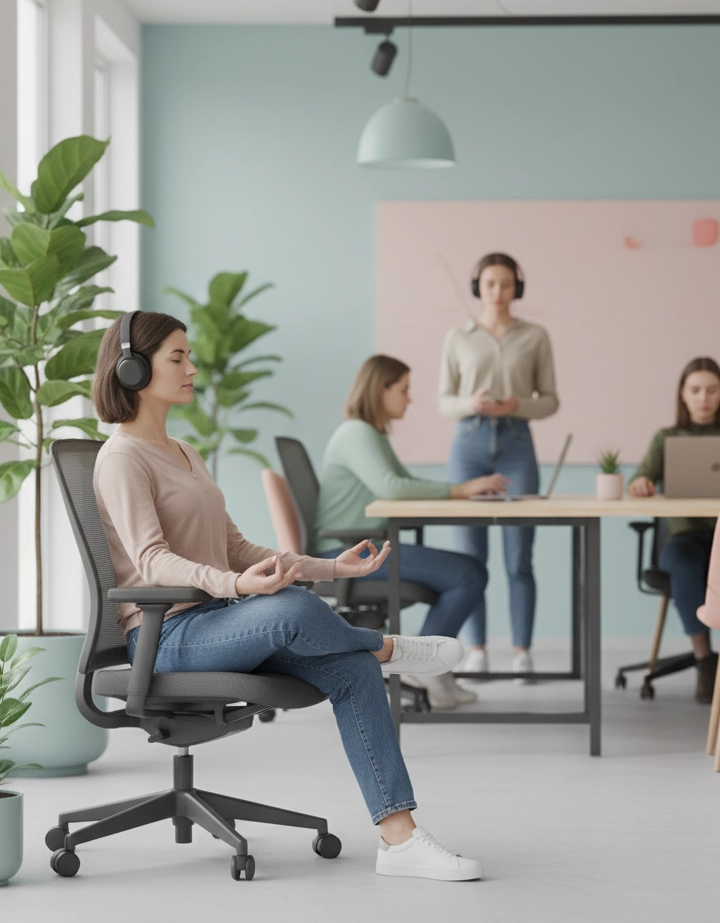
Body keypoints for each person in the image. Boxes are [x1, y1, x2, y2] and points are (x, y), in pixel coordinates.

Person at [90, 310, 481, 882]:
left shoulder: (184, 452)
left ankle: (399, 839)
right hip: (166, 636)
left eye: (189, 355)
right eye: (178, 357)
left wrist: (329, 566)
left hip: (217, 623)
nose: (193, 368)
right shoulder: (122, 457)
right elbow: (151, 562)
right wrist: (238, 586)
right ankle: (389, 648)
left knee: (350, 669)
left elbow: (238, 546)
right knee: (295, 611)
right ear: (131, 368)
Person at [315, 354, 509, 710]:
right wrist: (460, 490)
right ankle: (423, 662)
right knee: (468, 573)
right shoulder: (356, 432)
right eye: (403, 390)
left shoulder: (370, 434)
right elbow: (392, 487)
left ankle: (427, 665)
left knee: (468, 571)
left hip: (363, 548)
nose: (410, 398)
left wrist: (462, 487)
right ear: (380, 389)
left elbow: (404, 483)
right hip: (347, 554)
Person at [438, 253, 559, 683]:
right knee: (471, 559)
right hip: (468, 444)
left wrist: (516, 405)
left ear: (517, 287)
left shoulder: (535, 336)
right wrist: (472, 403)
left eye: (506, 284)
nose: (498, 292)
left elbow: (550, 400)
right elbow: (443, 400)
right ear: (478, 287)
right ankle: (478, 651)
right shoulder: (459, 336)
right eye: (490, 284)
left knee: (519, 558)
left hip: (517, 444)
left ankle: (523, 651)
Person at [628, 356, 720, 703]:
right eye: (696, 390)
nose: (704, 398)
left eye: (712, 390)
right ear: (683, 393)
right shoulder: (667, 437)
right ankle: (704, 660)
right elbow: (639, 478)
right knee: (685, 563)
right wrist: (639, 484)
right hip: (683, 540)